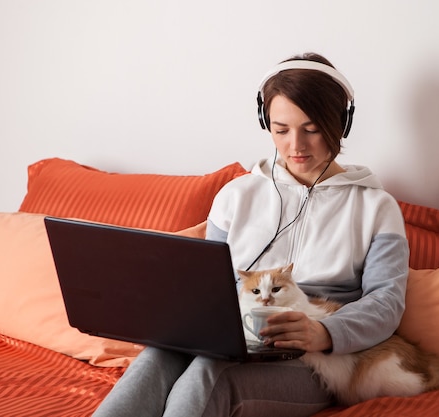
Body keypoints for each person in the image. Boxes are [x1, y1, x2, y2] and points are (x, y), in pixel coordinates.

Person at [93, 52, 410, 417]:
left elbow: (386, 303)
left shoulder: (376, 207)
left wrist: (324, 333)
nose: (296, 146)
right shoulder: (235, 196)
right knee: (157, 358)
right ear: (265, 122)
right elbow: (210, 290)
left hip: (315, 359)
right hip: (235, 338)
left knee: (209, 374)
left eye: (311, 129)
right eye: (281, 130)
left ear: (341, 123)